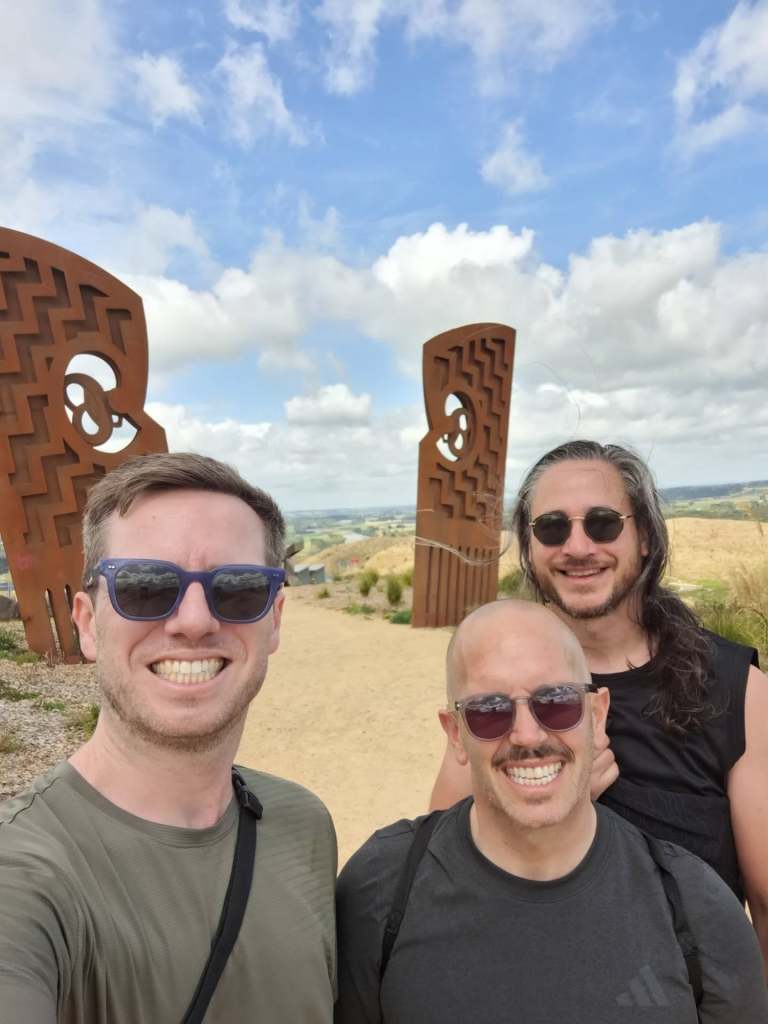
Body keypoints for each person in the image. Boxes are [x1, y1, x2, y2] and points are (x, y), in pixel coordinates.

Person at [0, 453, 337, 1023]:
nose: (195, 620)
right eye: (147, 587)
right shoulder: (25, 874)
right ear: (87, 623)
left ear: (274, 618)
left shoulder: (303, 825)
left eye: (237, 589)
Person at [335, 600, 768, 1022]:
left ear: (598, 716)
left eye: (556, 702)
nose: (526, 734)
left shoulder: (696, 909)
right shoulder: (380, 890)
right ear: (455, 735)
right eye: (489, 711)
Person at [429, 440, 768, 969]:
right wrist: (548, 803)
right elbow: (438, 872)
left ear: (647, 539)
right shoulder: (499, 693)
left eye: (604, 523)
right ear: (529, 548)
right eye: (552, 528)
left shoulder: (735, 688)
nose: (578, 546)